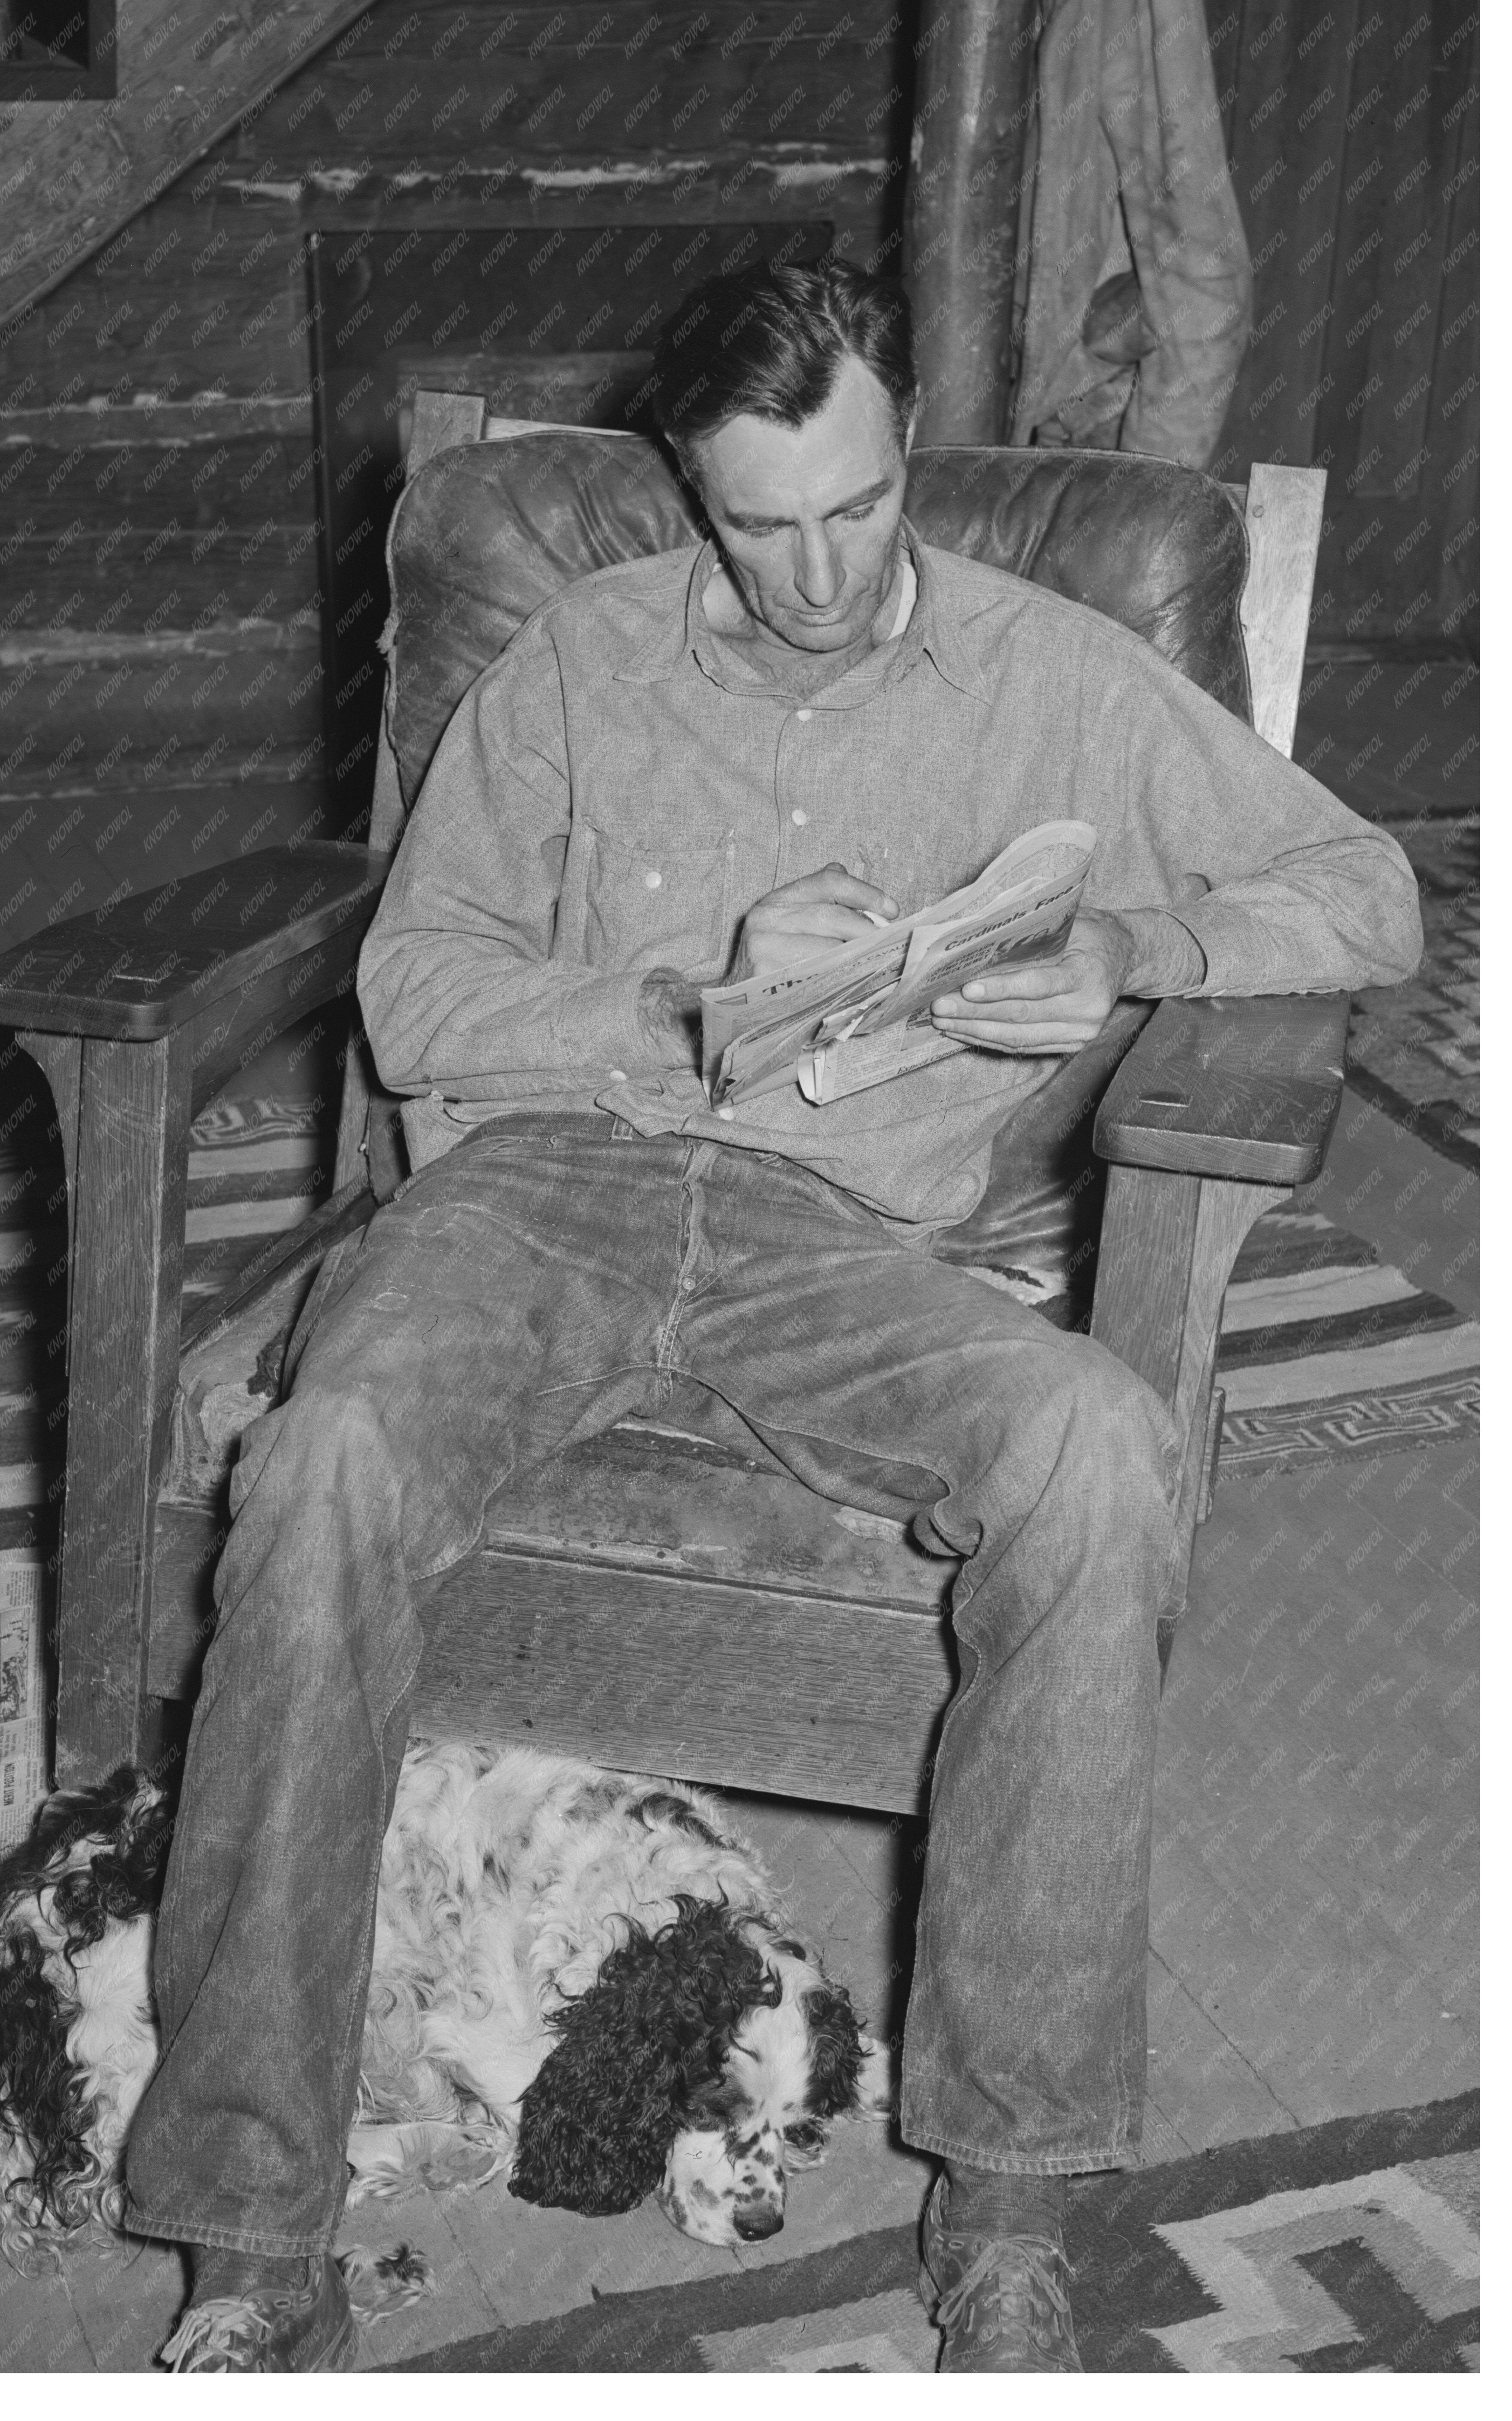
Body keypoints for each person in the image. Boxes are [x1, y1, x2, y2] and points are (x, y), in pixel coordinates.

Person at [123, 260, 1421, 2371]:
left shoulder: (1051, 671)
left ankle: (1008, 2204)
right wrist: (675, 999)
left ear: (901, 449)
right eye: (764, 524)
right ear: (688, 496)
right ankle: (248, 2234)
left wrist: (1123, 946)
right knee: (330, 1457)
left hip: (846, 1244)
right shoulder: (576, 662)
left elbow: (1361, 886)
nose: (824, 571)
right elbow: (414, 985)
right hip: (540, 1189)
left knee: (1092, 1451)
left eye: (863, 504)